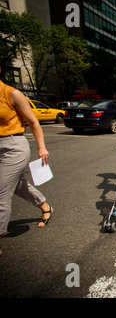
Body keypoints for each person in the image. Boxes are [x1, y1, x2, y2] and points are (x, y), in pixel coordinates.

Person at [0, 71, 54, 256]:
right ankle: (44, 206)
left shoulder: (12, 94)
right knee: (16, 185)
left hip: (13, 146)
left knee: (1, 193)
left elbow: (33, 122)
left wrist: (42, 148)